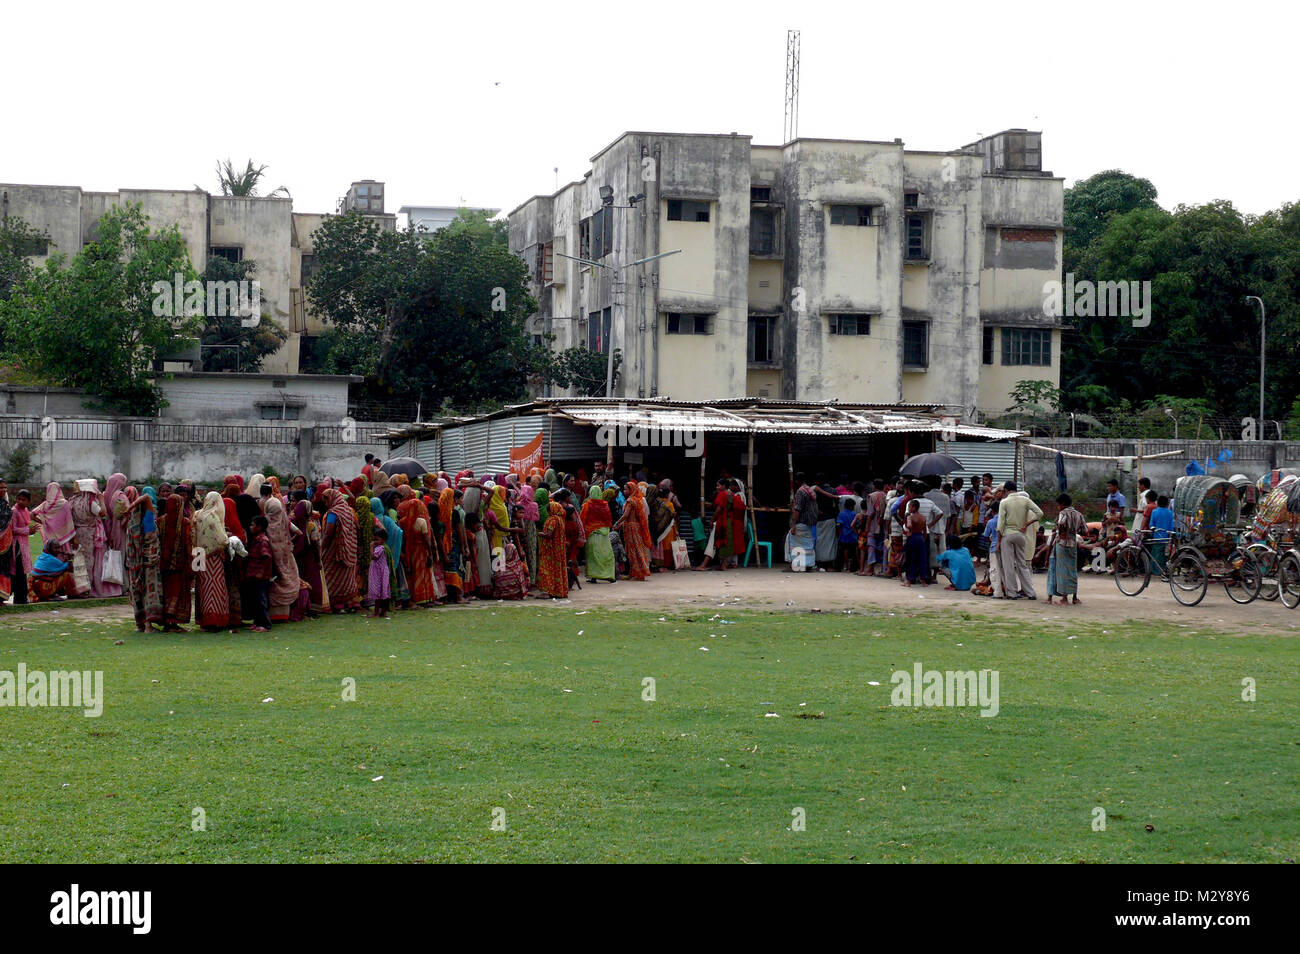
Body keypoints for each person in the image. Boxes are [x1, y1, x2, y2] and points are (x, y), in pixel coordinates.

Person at [123, 490, 163, 630]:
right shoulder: (148, 521)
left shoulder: (132, 526)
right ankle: (148, 625)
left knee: (139, 592)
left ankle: (141, 624)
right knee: (149, 591)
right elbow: (146, 497)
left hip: (135, 564)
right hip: (149, 562)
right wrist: (131, 505)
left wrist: (130, 508)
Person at [997, 481, 1043, 600]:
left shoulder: (1004, 502)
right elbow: (1039, 513)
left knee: (1009, 565)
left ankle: (1012, 593)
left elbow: (1000, 523)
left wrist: (998, 541)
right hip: (1020, 535)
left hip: (1007, 535)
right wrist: (1026, 524)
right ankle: (1030, 592)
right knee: (1022, 564)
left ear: (1006, 490)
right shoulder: (1025, 500)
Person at [192, 491, 230, 631]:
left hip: (198, 554)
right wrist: (227, 540)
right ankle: (214, 620)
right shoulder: (212, 515)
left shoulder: (197, 514)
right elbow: (221, 539)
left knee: (202, 587)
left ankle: (203, 619)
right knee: (214, 587)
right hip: (212, 557)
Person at [265, 497, 305, 623]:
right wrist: (288, 542)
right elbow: (298, 532)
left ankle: (273, 615)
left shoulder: (264, 522)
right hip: (285, 556)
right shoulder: (284, 520)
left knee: (274, 584)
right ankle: (284, 615)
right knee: (285, 581)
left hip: (271, 558)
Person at [320, 488, 360, 613]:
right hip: (349, 549)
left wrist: (321, 549)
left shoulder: (333, 513)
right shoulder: (349, 511)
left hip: (335, 551)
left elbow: (328, 532)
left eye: (326, 501)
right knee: (347, 578)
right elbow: (358, 528)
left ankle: (336, 604)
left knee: (329, 574)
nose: (326, 504)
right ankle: (350, 603)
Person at [159, 488, 194, 630]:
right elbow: (189, 545)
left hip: (163, 564)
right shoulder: (185, 523)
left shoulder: (160, 521)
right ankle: (172, 621)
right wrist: (195, 565)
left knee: (166, 592)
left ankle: (166, 620)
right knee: (177, 592)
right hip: (179, 565)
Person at [398, 486, 437, 607]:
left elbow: (403, 539)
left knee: (411, 574)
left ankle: (413, 598)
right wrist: (430, 554)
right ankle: (423, 598)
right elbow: (427, 540)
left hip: (409, 551)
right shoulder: (421, 521)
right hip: (421, 551)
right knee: (422, 574)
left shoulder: (403, 521)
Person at [1046, 493, 1087, 606]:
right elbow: (1085, 530)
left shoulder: (1063, 513)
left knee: (1062, 570)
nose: (1058, 507)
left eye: (1058, 505)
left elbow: (1060, 524)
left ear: (1062, 504)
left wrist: (1063, 532)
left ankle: (1064, 598)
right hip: (1073, 542)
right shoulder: (1078, 514)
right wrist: (1073, 531)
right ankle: (1074, 597)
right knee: (1072, 570)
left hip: (1062, 543)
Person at [244, 514, 274, 632]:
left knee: (261, 600)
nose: (251, 527)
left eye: (253, 525)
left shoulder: (262, 540)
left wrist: (261, 572)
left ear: (260, 527)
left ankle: (265, 624)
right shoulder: (256, 539)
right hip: (254, 574)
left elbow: (266, 557)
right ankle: (257, 622)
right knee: (256, 599)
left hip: (260, 576)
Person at [616, 481, 652, 581]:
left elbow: (626, 515)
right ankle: (635, 573)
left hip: (632, 529)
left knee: (633, 551)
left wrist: (617, 523)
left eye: (626, 489)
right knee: (636, 550)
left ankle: (638, 573)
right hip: (635, 527)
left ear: (631, 490)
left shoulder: (631, 501)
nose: (624, 491)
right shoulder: (637, 500)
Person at [580, 485, 616, 582]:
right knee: (606, 554)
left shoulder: (588, 505)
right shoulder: (605, 505)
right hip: (604, 534)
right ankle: (609, 575)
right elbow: (609, 519)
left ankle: (594, 576)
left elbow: (583, 518)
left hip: (592, 534)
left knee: (593, 555)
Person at [537, 498, 569, 598]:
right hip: (558, 549)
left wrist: (539, 534)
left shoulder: (553, 520)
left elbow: (549, 535)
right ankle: (558, 591)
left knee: (547, 569)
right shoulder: (560, 519)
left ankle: (547, 591)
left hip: (550, 550)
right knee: (557, 569)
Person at [9, 489, 34, 604]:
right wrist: (28, 530)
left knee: (23, 570)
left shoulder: (25, 510)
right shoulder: (14, 511)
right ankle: (19, 597)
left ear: (28, 501)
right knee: (18, 570)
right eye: (18, 499)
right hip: (17, 544)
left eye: (23, 500)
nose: (20, 501)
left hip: (24, 543)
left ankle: (21, 597)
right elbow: (13, 529)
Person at [901, 499, 929, 586]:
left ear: (914, 507)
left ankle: (909, 580)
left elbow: (909, 525)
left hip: (913, 537)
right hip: (920, 538)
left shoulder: (910, 517)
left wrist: (908, 529)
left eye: (909, 506)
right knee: (922, 559)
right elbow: (925, 532)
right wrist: (923, 539)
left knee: (911, 559)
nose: (908, 508)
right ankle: (923, 581)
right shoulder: (923, 517)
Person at [1147, 494, 1175, 576]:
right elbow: (1171, 526)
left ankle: (1155, 570)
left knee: (1155, 554)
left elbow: (1151, 524)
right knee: (1165, 555)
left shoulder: (1155, 512)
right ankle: (1163, 570)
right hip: (1166, 538)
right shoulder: (1170, 513)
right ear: (1167, 504)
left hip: (1156, 537)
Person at [368, 526, 392, 617]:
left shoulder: (380, 548)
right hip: (382, 573)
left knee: (378, 594)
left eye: (377, 540)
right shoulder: (384, 548)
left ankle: (376, 613)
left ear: (383, 540)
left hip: (378, 574)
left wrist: (371, 547)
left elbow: (374, 557)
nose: (375, 542)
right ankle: (383, 612)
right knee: (383, 593)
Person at [836, 497, 857, 572]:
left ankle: (843, 566)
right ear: (852, 506)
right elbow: (857, 525)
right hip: (853, 537)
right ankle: (852, 568)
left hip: (843, 536)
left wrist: (839, 534)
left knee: (843, 552)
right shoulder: (855, 514)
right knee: (853, 553)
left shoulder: (841, 514)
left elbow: (838, 525)